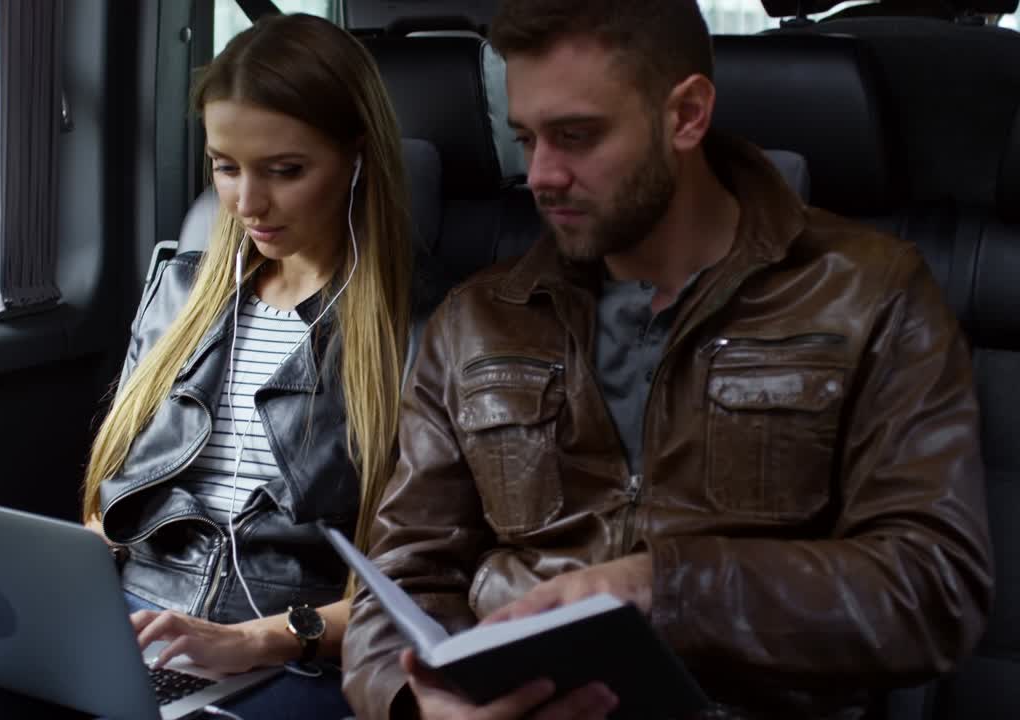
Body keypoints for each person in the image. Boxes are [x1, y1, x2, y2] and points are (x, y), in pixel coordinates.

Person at [341, 1, 994, 719]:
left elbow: (934, 588)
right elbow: (400, 574)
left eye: (577, 136)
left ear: (685, 115)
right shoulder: (478, 319)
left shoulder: (871, 293)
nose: (540, 176)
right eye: (526, 139)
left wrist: (666, 587)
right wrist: (418, 703)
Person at [0, 12, 417, 720]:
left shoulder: (421, 330)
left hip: (292, 647)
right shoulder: (180, 290)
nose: (247, 204)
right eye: (225, 167)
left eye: (287, 170)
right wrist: (70, 597)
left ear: (357, 156)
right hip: (129, 621)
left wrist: (256, 640)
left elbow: (411, 584)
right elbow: (113, 491)